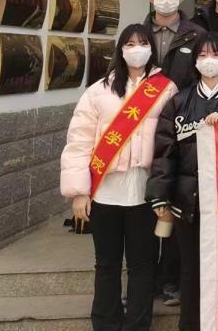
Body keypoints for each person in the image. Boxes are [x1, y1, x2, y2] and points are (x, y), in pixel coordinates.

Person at [60, 24, 177, 331]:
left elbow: (171, 145)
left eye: (143, 43)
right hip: (104, 192)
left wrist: (167, 193)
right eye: (130, 44)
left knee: (143, 266)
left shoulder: (166, 89)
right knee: (107, 264)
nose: (137, 49)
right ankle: (106, 323)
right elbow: (79, 142)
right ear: (121, 49)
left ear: (152, 49)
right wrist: (79, 192)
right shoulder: (98, 91)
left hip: (145, 192)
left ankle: (137, 325)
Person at [147, 32, 218, 331]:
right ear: (195, 62)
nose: (209, 60)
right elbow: (165, 152)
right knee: (191, 268)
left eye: (215, 54)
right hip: (189, 200)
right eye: (202, 55)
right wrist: (160, 194)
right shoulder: (179, 101)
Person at [144, 0, 203, 306]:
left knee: (176, 205)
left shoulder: (196, 35)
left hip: (180, 130)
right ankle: (143, 280)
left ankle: (171, 280)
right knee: (144, 207)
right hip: (137, 130)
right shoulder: (137, 34)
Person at [147, 0, 204, 91]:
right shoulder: (137, 34)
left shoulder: (198, 35)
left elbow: (205, 76)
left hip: (184, 100)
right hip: (143, 99)